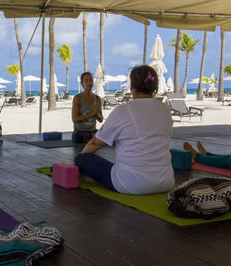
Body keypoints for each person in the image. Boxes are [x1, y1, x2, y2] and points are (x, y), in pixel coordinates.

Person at [74, 65, 174, 194]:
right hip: (165, 182)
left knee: (81, 159)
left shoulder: (123, 111)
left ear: (132, 86)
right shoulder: (165, 109)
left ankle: (87, 177)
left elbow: (95, 143)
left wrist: (80, 164)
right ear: (154, 87)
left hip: (131, 184)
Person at [71, 71, 104, 143]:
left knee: (106, 132)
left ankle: (92, 138)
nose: (89, 82)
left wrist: (96, 114)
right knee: (77, 136)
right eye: (86, 80)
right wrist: (91, 114)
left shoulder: (97, 98)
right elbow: (74, 119)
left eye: (91, 80)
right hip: (80, 132)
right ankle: (94, 137)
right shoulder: (77, 98)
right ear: (82, 84)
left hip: (93, 130)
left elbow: (101, 119)